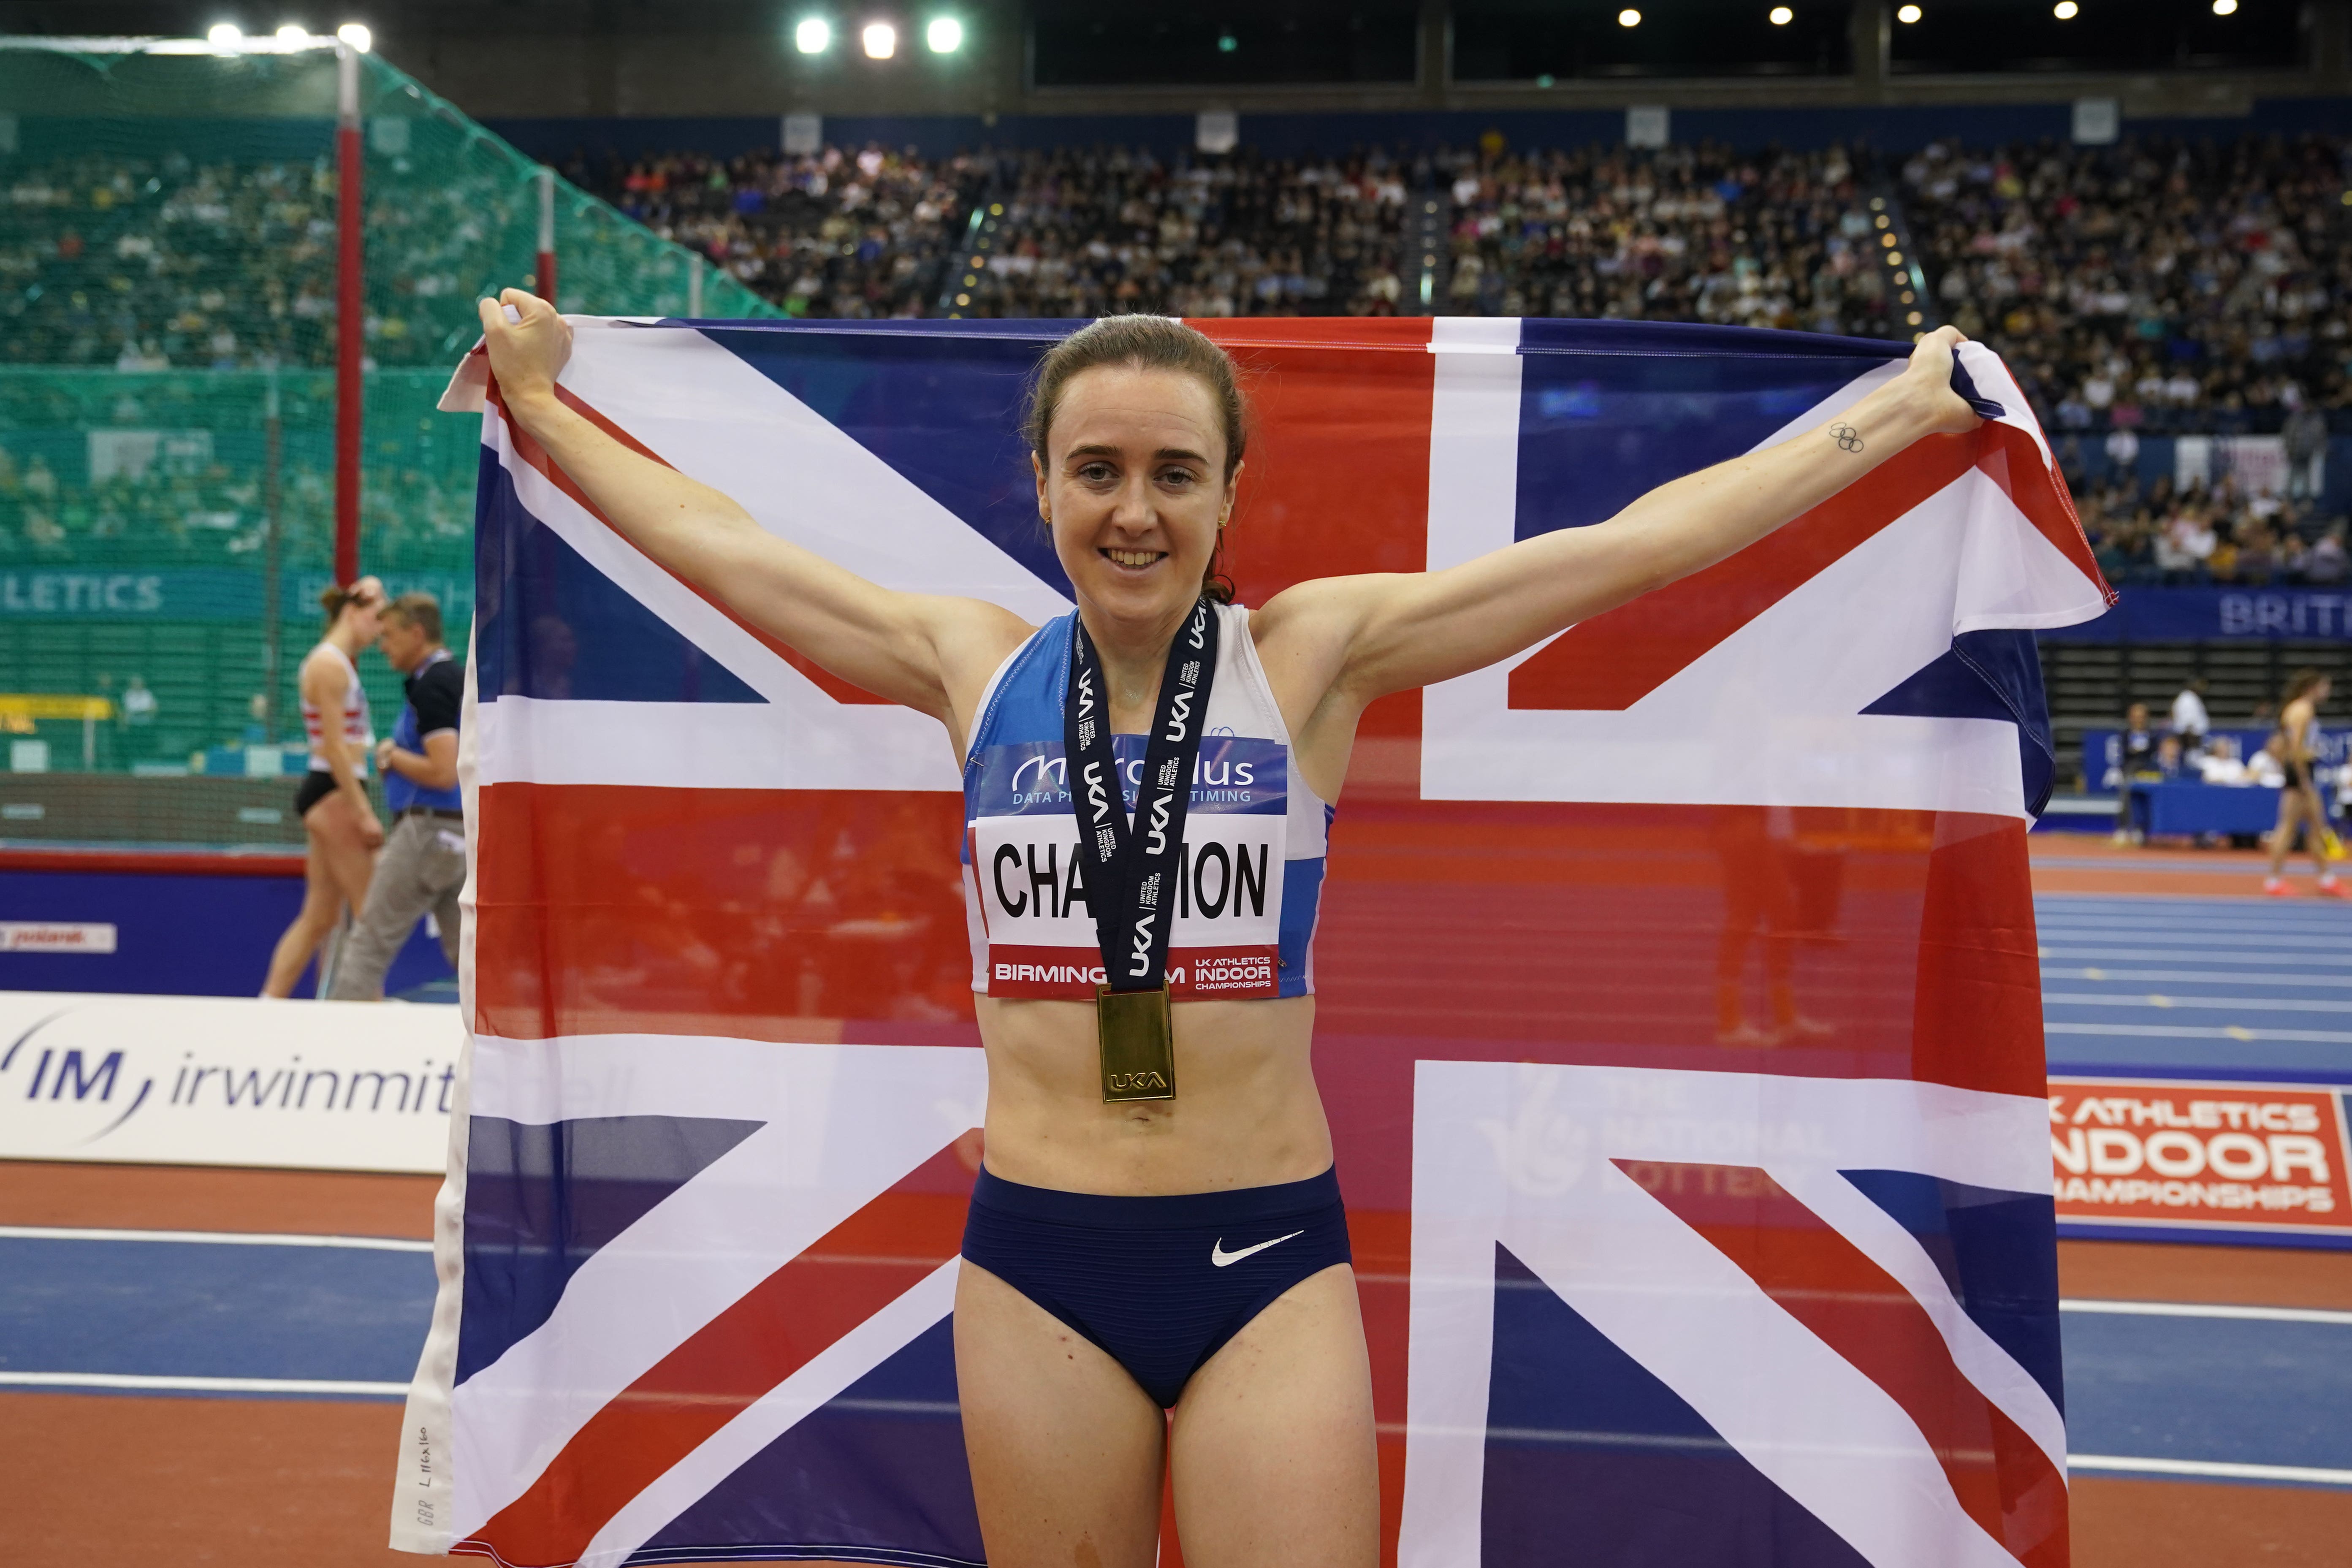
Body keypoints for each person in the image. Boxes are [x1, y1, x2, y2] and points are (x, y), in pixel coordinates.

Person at [475, 288, 1987, 1567]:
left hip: (1264, 1254)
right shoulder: (967, 660)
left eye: (1174, 473)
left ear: (1228, 493)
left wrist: (1901, 414)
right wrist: (544, 409)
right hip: (1038, 1253)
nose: (1134, 510)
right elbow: (716, 542)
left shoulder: (1309, 659)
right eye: (1098, 469)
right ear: (1043, 483)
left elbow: (1634, 545)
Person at [327, 591, 465, 1001]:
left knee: (369, 944)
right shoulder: (459, 678)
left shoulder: (434, 685)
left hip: (426, 832)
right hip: (461, 837)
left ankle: (326, 1043)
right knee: (471, 956)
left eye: (389, 636)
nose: (382, 646)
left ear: (417, 633)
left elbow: (443, 771)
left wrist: (392, 755)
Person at [260, 578, 384, 996]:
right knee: (371, 913)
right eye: (376, 619)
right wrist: (363, 811)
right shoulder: (328, 665)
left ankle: (268, 1004)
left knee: (320, 916)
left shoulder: (336, 664)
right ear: (352, 612)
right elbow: (333, 748)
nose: (380, 630)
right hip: (335, 791)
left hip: (331, 789)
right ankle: (366, 1010)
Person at [2264, 668, 2341, 897]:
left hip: (2298, 770)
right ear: (2312, 688)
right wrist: (2303, 779)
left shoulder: (2295, 709)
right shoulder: (2303, 710)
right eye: (2324, 687)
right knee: (2289, 827)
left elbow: (2277, 744)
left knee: (2317, 825)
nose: (2327, 692)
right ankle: (2274, 880)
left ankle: (2326, 878)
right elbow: (2295, 748)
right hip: (2300, 772)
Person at [2113, 701, 2157, 844]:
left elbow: (2152, 753)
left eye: (2141, 716)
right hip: (2129, 770)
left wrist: (2138, 752)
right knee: (2126, 798)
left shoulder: (2152, 735)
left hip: (2146, 771)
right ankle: (2123, 828)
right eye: (2135, 716)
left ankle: (2141, 829)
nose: (2139, 719)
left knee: (2144, 800)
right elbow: (2126, 753)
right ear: (2130, 718)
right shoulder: (2125, 734)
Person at [2170, 677, 2209, 750]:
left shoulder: (2191, 697)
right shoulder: (2188, 698)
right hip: (2189, 738)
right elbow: (2189, 722)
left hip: (2192, 737)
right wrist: (2191, 740)